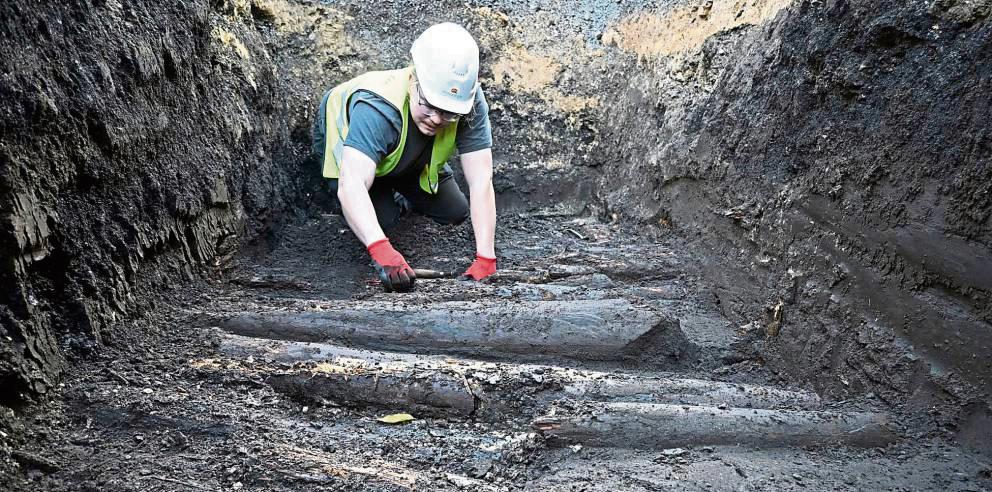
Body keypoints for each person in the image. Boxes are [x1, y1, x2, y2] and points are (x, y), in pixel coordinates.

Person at [312, 23, 497, 292]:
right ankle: (383, 191)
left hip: (403, 151)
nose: (437, 119)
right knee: (380, 222)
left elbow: (481, 179)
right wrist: (382, 252)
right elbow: (351, 184)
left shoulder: (467, 102)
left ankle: (401, 183)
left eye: (448, 113)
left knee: (455, 211)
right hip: (355, 158)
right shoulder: (375, 108)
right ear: (414, 80)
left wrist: (486, 258)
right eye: (431, 106)